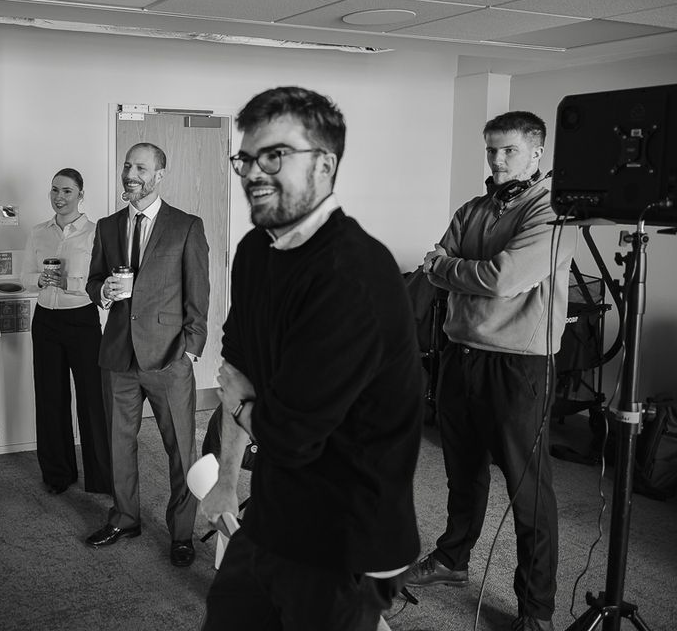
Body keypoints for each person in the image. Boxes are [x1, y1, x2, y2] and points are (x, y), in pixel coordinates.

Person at [199, 86, 422, 630]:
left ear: (325, 164)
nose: (253, 171)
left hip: (346, 538)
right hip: (273, 515)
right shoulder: (255, 252)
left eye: (274, 156)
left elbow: (292, 434)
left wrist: (248, 408)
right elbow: (237, 373)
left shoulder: (353, 276)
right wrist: (228, 477)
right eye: (246, 158)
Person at [406, 111, 575, 631]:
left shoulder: (554, 214)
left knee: (528, 491)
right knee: (462, 471)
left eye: (509, 151)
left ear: (536, 152)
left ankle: (535, 609)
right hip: (460, 357)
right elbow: (440, 265)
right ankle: (453, 560)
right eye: (491, 150)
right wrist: (451, 270)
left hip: (517, 365)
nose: (497, 160)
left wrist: (447, 268)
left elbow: (502, 280)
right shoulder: (474, 208)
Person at [84, 142, 210, 568]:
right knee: (119, 444)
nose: (130, 173)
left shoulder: (187, 227)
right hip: (118, 355)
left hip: (170, 357)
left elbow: (199, 296)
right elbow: (94, 280)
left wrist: (191, 352)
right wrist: (102, 291)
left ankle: (181, 534)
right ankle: (125, 517)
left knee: (181, 451)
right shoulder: (107, 226)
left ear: (159, 175)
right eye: (126, 166)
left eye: (140, 167)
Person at [21, 168, 111, 496]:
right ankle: (58, 474)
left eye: (68, 191)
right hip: (45, 321)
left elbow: (99, 281)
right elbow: (26, 275)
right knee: (50, 398)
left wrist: (68, 283)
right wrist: (38, 281)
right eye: (55, 190)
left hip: (82, 321)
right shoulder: (38, 232)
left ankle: (101, 478)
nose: (60, 197)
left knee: (92, 401)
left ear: (81, 195)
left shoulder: (96, 233)